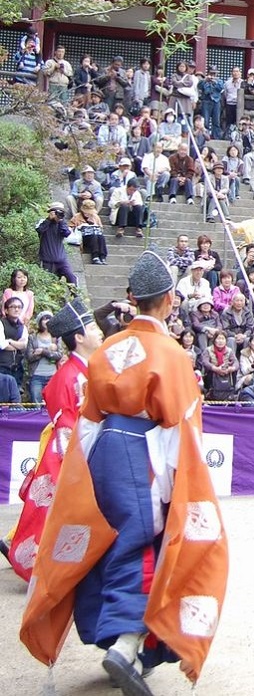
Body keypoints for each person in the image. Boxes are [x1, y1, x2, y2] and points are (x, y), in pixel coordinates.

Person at [20, 251, 229, 692]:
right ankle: (128, 643)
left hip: (102, 453)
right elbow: (180, 427)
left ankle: (126, 641)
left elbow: (88, 422)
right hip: (147, 451)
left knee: (106, 538)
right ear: (170, 300)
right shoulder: (171, 354)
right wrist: (176, 488)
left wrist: (85, 477)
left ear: (133, 300)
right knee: (145, 542)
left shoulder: (109, 348)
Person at [6, 298, 103, 582]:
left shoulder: (86, 370)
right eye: (93, 327)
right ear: (80, 337)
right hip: (68, 454)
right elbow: (66, 425)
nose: (99, 332)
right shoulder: (67, 376)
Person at [36, 201, 78, 285]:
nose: (59, 214)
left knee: (71, 278)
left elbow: (66, 233)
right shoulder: (43, 222)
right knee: (48, 283)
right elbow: (40, 230)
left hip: (61, 259)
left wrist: (61, 221)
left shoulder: (62, 224)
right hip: (47, 260)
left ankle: (76, 297)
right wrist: (49, 219)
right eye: (57, 211)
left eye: (61, 212)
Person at [26, 311, 61, 404]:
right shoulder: (33, 337)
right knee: (36, 403)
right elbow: (29, 357)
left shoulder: (56, 337)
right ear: (40, 321)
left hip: (53, 375)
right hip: (36, 375)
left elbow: (59, 355)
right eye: (44, 319)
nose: (47, 321)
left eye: (49, 318)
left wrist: (42, 351)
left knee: (53, 403)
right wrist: (48, 351)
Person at [69, 198, 108, 265]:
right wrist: (79, 227)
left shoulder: (96, 217)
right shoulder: (77, 217)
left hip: (94, 235)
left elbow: (100, 228)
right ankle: (95, 256)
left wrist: (94, 224)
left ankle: (102, 256)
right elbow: (70, 227)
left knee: (100, 236)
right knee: (94, 236)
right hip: (83, 237)